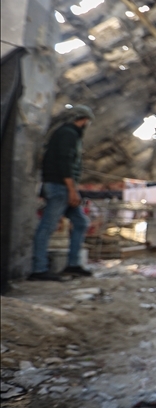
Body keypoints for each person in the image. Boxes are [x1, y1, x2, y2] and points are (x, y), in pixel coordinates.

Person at [29, 105, 95, 281]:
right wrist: (72, 190)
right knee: (47, 226)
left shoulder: (65, 133)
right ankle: (39, 268)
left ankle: (73, 265)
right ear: (83, 119)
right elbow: (64, 164)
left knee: (80, 222)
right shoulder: (68, 134)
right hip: (60, 187)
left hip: (60, 186)